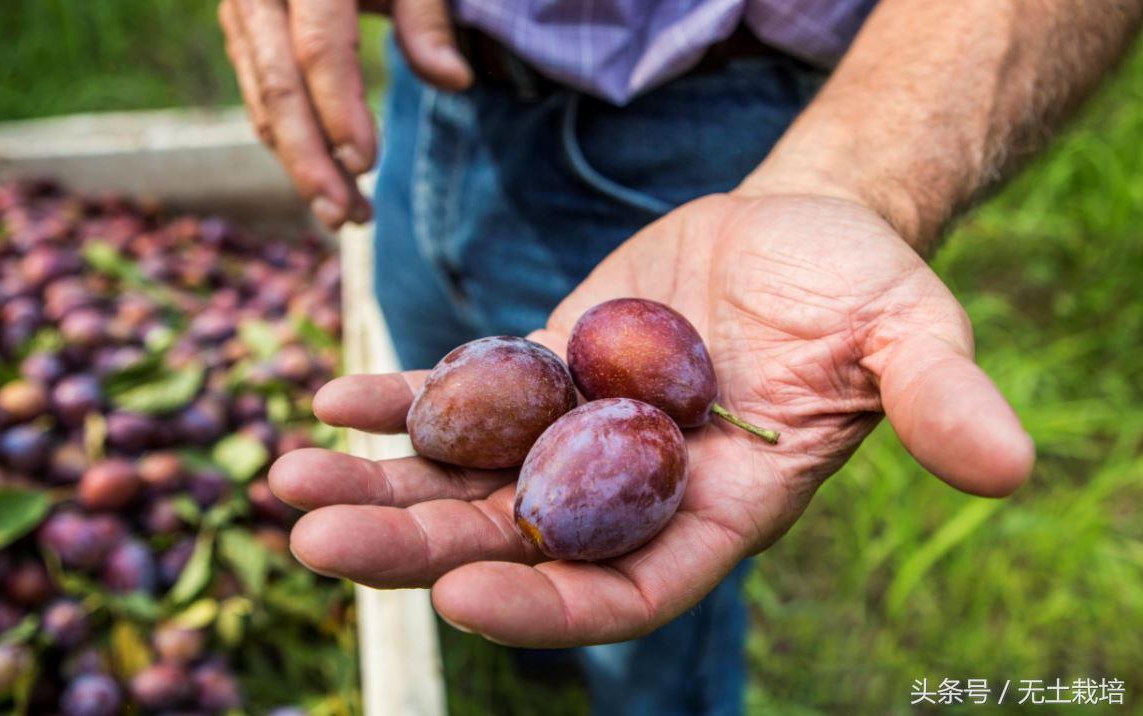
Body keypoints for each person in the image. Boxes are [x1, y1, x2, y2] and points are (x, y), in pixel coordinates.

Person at [220, 0, 1142, 712]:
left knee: (645, 642)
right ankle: (533, 679)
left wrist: (847, 183)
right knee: (473, 510)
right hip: (429, 93)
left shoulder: (654, 400)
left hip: (713, 118)